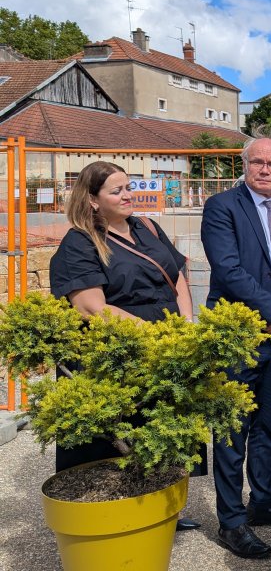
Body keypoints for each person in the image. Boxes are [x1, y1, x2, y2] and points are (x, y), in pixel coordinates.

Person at [49, 160, 201, 532]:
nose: (128, 195)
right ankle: (114, 518)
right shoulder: (80, 242)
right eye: (116, 191)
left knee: (159, 429)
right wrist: (153, 337)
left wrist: (183, 325)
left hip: (164, 345)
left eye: (128, 187)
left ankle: (160, 505)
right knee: (117, 438)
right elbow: (92, 307)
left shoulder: (147, 226)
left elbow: (177, 275)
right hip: (115, 353)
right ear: (93, 200)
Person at [201, 128, 271, 560]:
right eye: (257, 162)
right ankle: (232, 522)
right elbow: (228, 270)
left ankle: (263, 501)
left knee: (267, 428)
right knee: (232, 432)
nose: (265, 169)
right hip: (239, 336)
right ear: (244, 166)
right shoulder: (222, 207)